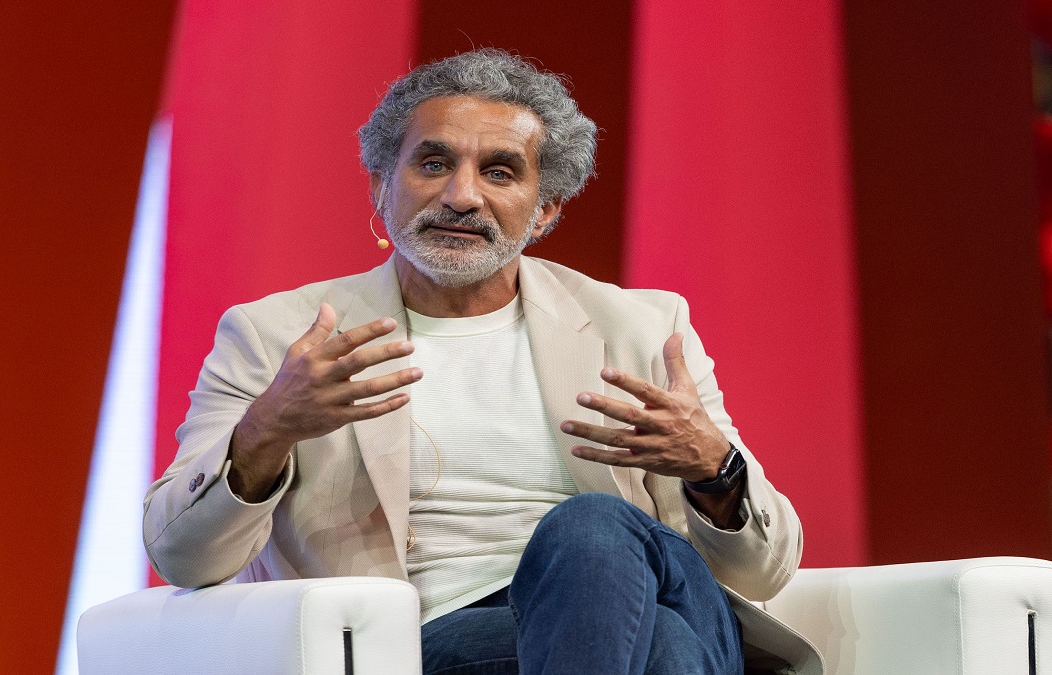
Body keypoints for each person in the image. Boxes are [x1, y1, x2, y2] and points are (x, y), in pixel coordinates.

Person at [143, 49, 821, 674]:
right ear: (381, 184)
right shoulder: (278, 338)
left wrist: (714, 468)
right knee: (664, 644)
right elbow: (182, 556)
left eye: (499, 171)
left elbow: (764, 571)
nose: (462, 196)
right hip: (427, 641)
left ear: (546, 209)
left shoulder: (640, 328)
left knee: (593, 529)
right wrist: (266, 431)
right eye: (433, 164)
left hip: (644, 592)